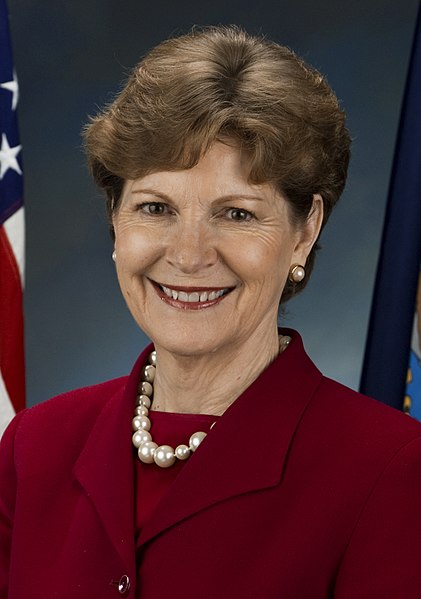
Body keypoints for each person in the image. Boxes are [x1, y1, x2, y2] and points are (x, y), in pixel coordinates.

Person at [1, 25, 421, 599]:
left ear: (305, 231)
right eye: (155, 207)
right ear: (116, 222)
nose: (189, 254)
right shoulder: (34, 447)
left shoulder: (391, 470)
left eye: (237, 214)